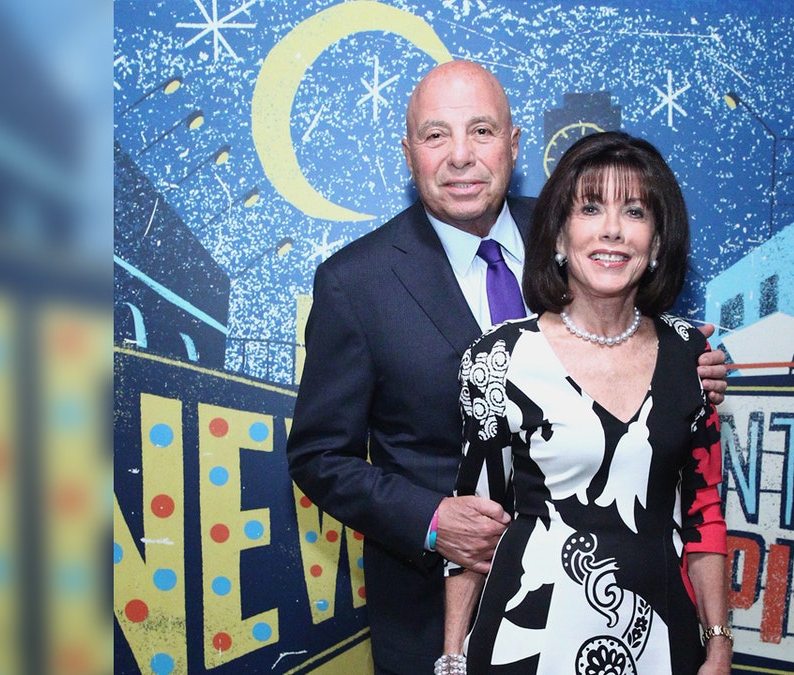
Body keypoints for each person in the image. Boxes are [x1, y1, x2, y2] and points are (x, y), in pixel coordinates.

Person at [287, 60, 728, 674]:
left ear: (514, 144)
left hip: (616, 610)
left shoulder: (587, 228)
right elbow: (317, 457)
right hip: (435, 619)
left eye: (482, 131)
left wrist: (691, 370)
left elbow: (647, 354)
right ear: (408, 151)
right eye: (436, 135)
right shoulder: (353, 284)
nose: (460, 156)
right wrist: (433, 519)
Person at [439, 131, 732, 675]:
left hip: (660, 644)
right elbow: (475, 522)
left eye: (636, 211)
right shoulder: (497, 358)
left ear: (658, 241)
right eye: (591, 208)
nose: (613, 230)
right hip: (524, 640)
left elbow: (705, 516)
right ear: (558, 235)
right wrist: (454, 655)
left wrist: (718, 645)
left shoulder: (691, 355)